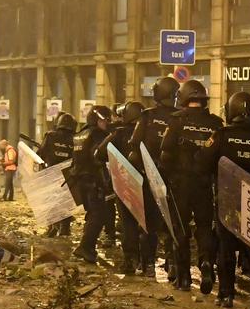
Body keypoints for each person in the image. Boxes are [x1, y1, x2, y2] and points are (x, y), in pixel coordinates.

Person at [197, 91, 250, 309]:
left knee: (226, 248)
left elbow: (202, 163)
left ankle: (226, 294)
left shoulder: (221, 135)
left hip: (227, 198)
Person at [160, 80, 223, 293]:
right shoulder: (215, 123)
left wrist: (167, 178)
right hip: (204, 186)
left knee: (181, 228)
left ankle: (184, 278)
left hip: (181, 185)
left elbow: (165, 153)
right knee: (205, 227)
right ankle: (206, 264)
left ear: (184, 98)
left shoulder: (176, 121)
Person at [130, 76, 181, 279]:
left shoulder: (147, 116)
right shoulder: (180, 117)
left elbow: (134, 145)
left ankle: (149, 264)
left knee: (148, 225)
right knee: (173, 223)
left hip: (149, 178)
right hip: (174, 180)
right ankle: (173, 265)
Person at [97, 102, 146, 274]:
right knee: (149, 224)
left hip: (126, 185)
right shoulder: (149, 130)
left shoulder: (119, 133)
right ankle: (149, 264)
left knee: (128, 223)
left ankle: (131, 259)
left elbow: (99, 153)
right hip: (148, 185)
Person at [71, 106, 113, 264]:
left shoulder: (79, 134)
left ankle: (88, 247)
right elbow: (98, 156)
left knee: (92, 214)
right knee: (99, 215)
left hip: (81, 180)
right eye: (104, 120)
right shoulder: (97, 134)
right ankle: (85, 247)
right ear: (96, 119)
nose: (106, 123)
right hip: (94, 180)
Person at [41, 113, 77, 236]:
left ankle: (52, 227)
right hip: (69, 175)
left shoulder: (50, 135)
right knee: (66, 202)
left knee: (51, 201)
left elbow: (41, 153)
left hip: (51, 174)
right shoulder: (76, 138)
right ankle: (65, 228)